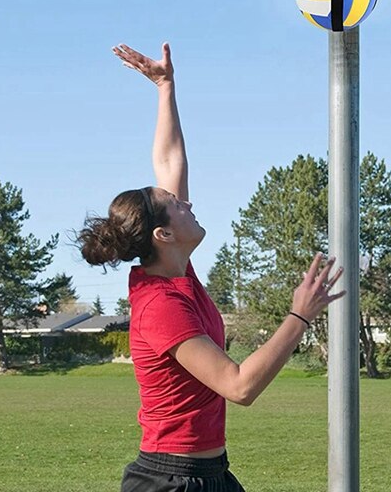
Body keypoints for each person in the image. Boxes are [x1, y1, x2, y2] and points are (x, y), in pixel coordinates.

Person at [77, 42, 344, 492]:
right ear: (163, 234)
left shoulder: (177, 273)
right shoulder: (159, 305)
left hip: (209, 474)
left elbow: (169, 162)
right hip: (171, 481)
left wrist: (165, 87)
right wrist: (299, 316)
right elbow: (238, 387)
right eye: (176, 206)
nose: (187, 202)